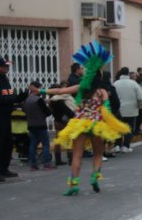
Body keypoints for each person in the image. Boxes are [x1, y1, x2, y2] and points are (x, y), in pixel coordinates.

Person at [40, 41, 130, 196]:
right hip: (96, 124)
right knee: (97, 154)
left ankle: (74, 185)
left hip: (80, 124)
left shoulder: (80, 88)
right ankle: (95, 177)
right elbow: (107, 111)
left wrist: (41, 90)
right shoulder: (102, 92)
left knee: (77, 155)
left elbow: (60, 91)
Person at [0, 57, 27, 182]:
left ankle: (4, 168)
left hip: (7, 114)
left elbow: (9, 96)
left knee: (8, 143)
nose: (7, 68)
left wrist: (19, 98)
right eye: (5, 66)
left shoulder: (5, 79)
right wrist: (14, 99)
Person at [23, 81, 54, 170]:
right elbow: (47, 113)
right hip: (41, 125)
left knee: (33, 144)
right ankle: (47, 164)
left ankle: (33, 164)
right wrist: (49, 106)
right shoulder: (39, 100)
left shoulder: (27, 99)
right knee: (45, 145)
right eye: (41, 88)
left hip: (31, 125)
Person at [113, 67, 142, 152]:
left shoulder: (116, 83)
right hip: (132, 109)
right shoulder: (134, 84)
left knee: (118, 127)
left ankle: (117, 145)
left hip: (119, 110)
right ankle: (126, 146)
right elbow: (140, 97)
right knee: (129, 128)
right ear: (128, 74)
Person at [49, 81, 75, 166]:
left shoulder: (51, 100)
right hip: (64, 122)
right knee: (68, 140)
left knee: (58, 141)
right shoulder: (59, 100)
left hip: (57, 121)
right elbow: (67, 111)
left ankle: (58, 159)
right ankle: (71, 159)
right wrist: (73, 114)